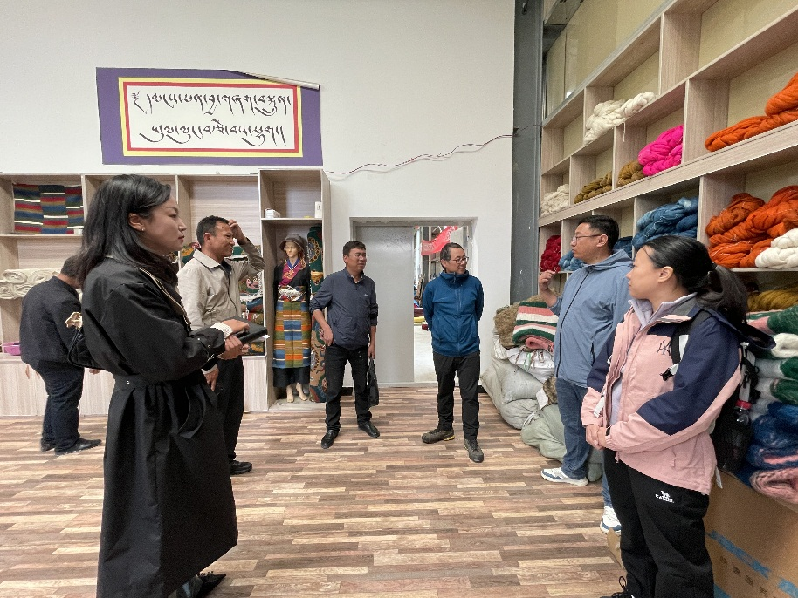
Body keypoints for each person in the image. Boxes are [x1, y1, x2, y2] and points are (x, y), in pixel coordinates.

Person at [77, 174, 250, 598]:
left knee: (182, 500)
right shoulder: (116, 280)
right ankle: (160, 587)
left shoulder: (139, 272)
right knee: (155, 506)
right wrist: (218, 335)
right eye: (171, 215)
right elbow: (169, 354)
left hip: (171, 401)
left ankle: (183, 578)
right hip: (153, 410)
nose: (181, 224)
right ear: (136, 220)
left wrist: (209, 342)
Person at [582, 235, 750, 598]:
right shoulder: (635, 318)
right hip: (622, 455)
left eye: (636, 265)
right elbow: (604, 374)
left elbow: (687, 407)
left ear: (664, 274)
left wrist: (614, 435)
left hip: (667, 464)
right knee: (635, 539)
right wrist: (593, 420)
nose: (628, 273)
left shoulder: (708, 328)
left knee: (676, 560)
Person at [538, 214, 631, 533]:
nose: (572, 243)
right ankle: (574, 470)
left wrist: (611, 373)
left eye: (578, 237)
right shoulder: (578, 274)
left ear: (601, 240)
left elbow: (625, 330)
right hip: (567, 368)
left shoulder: (623, 277)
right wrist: (546, 291)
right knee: (572, 425)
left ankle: (614, 505)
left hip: (597, 374)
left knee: (608, 437)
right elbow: (563, 311)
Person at [177, 215, 265, 476]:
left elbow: (259, 264)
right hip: (212, 358)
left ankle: (225, 460)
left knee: (232, 409)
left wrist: (242, 238)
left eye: (231, 237)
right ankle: (210, 467)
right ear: (208, 238)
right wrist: (207, 365)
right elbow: (192, 323)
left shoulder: (229, 268)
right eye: (227, 236)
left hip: (233, 350)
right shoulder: (193, 272)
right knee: (212, 414)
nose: (231, 241)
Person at [19, 255, 101, 455]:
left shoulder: (38, 290)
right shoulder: (64, 299)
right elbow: (74, 338)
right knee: (65, 398)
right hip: (57, 358)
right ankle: (67, 443)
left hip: (37, 354)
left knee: (56, 395)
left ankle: (50, 438)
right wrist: (94, 361)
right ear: (79, 275)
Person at [309, 240, 379, 449]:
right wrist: (326, 327)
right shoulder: (333, 281)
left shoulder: (369, 284)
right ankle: (332, 427)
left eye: (364, 255)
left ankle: (364, 420)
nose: (362, 258)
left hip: (360, 345)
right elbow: (315, 306)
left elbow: (373, 315)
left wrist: (373, 342)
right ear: (345, 258)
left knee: (362, 387)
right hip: (337, 345)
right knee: (334, 389)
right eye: (358, 255)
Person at [420, 242, 485, 463]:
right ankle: (445, 428)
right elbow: (429, 315)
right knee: (444, 391)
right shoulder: (433, 288)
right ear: (444, 262)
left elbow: (477, 312)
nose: (462, 262)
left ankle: (471, 439)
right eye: (458, 259)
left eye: (464, 258)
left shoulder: (474, 284)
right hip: (443, 349)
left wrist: (466, 331)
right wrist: (441, 333)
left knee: (470, 396)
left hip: (469, 349)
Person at [272, 234, 312, 402]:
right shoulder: (279, 268)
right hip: (283, 310)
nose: (289, 250)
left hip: (301, 309)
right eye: (287, 247)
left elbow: (309, 291)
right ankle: (288, 388)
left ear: (299, 249)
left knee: (302, 349)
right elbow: (275, 291)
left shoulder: (306, 268)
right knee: (284, 350)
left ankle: (300, 386)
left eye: (292, 246)